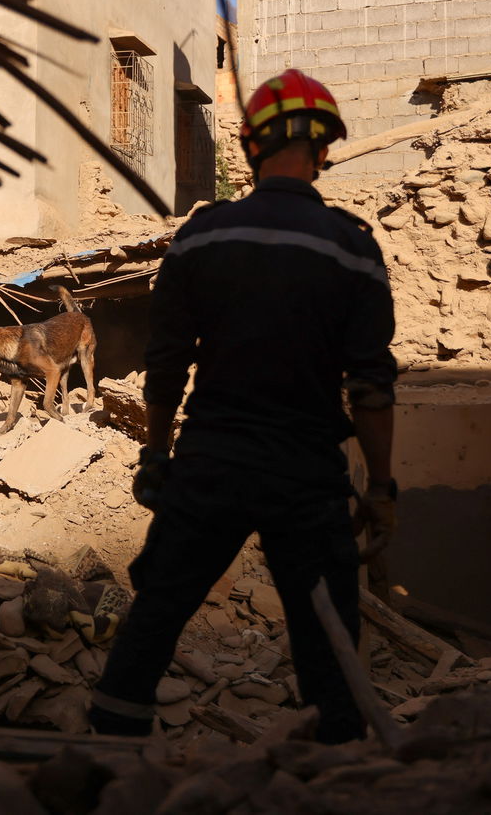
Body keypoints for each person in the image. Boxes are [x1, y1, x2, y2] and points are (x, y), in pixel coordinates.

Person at [89, 69, 398, 745]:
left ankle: (104, 763)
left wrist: (157, 454)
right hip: (307, 474)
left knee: (157, 614)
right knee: (329, 647)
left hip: (212, 464)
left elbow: (167, 364)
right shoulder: (351, 246)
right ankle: (338, 771)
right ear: (323, 149)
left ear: (251, 147)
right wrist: (381, 488)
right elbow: (371, 386)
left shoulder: (202, 238)